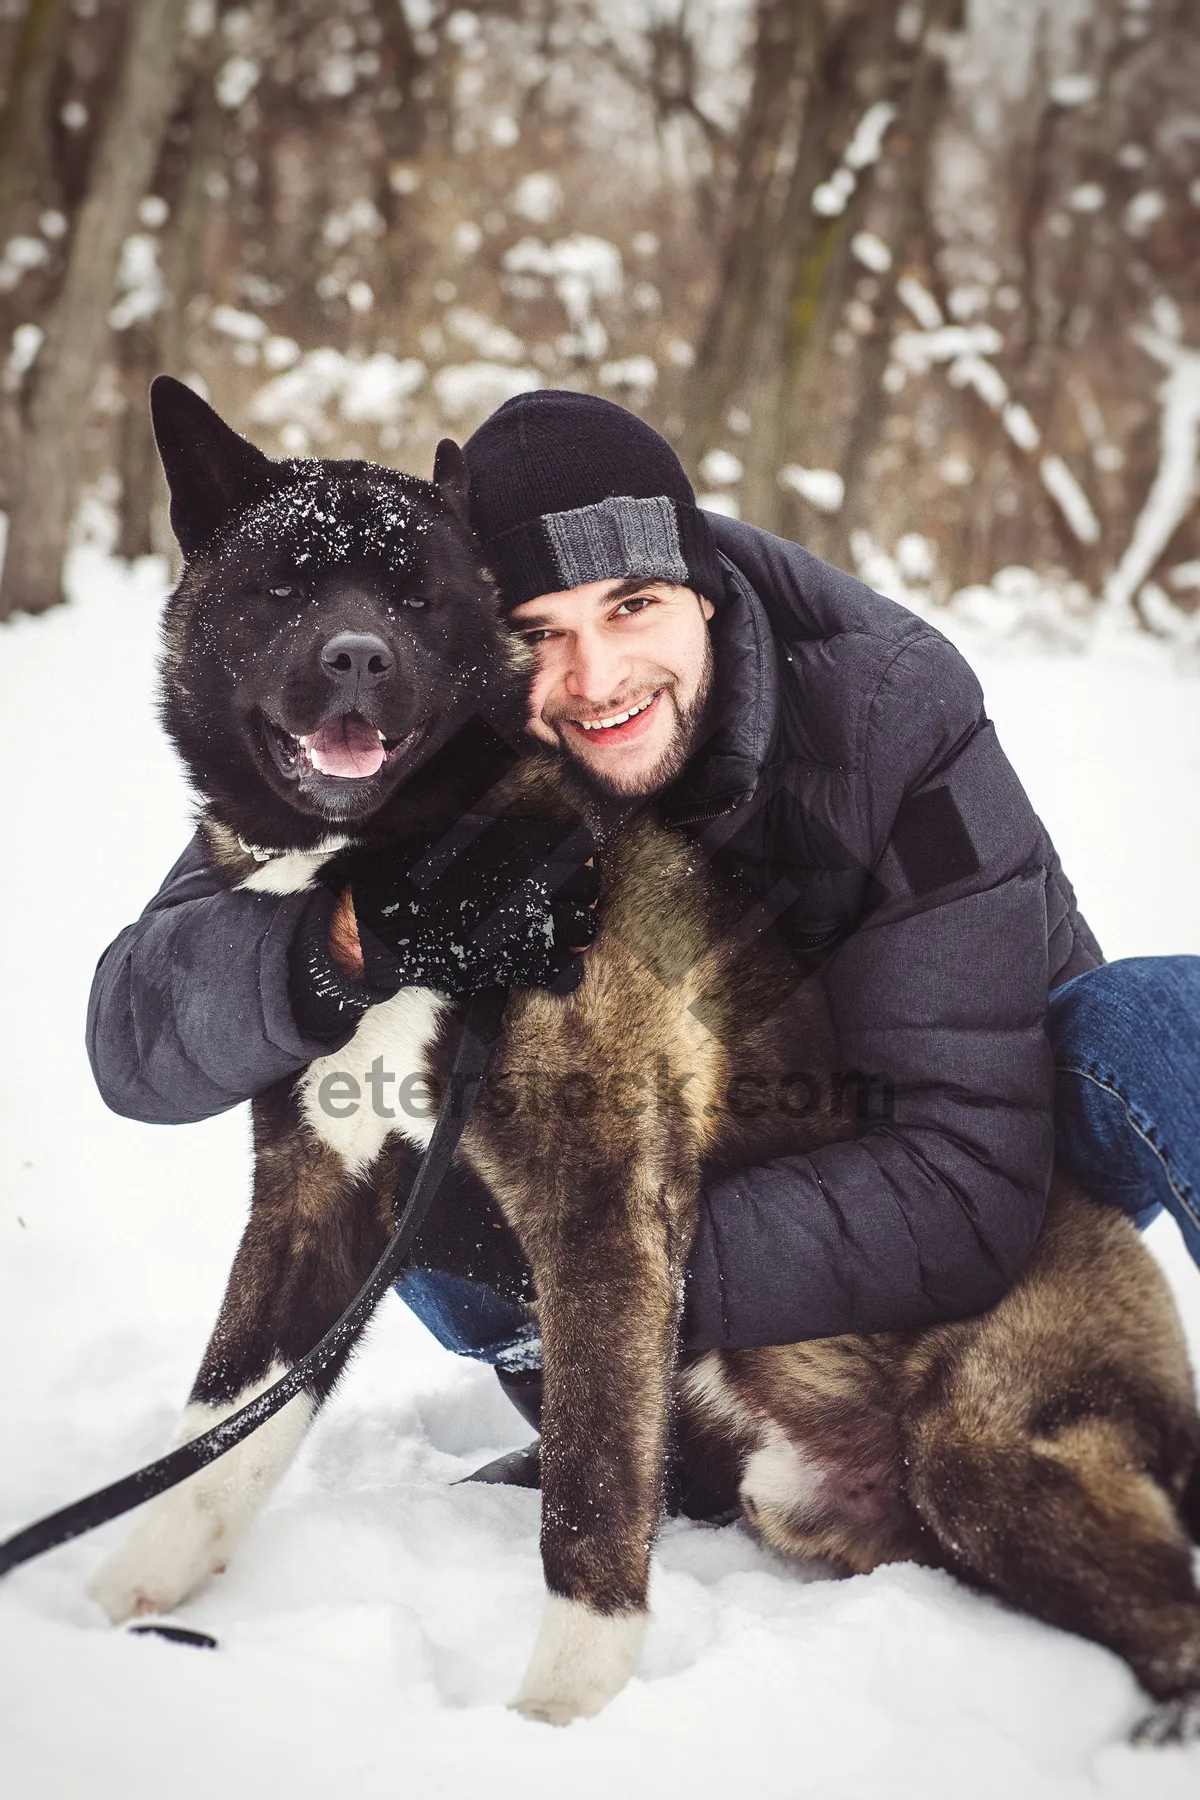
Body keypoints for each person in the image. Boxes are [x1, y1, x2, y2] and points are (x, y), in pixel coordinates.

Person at [87, 391, 1200, 1489]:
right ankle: (680, 1432)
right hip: (602, 1227)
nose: (600, 678)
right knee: (366, 1098)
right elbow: (139, 1036)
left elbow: (966, 1180)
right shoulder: (424, 738)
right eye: (540, 636)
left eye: (635, 607)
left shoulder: (886, 709)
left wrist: (597, 1263)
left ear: (704, 594)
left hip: (950, 1174)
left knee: (1155, 1023)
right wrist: (340, 941)